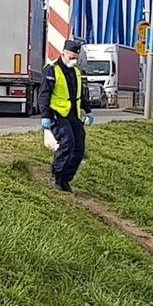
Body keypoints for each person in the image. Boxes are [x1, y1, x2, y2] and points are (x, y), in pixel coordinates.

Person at [39, 39, 95, 192]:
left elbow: (80, 95)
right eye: (71, 57)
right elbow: (44, 94)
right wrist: (45, 115)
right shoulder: (52, 70)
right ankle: (56, 176)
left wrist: (88, 111)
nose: (73, 61)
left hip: (73, 115)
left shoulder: (75, 72)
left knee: (79, 148)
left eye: (76, 58)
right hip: (57, 114)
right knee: (67, 143)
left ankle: (66, 179)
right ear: (63, 54)